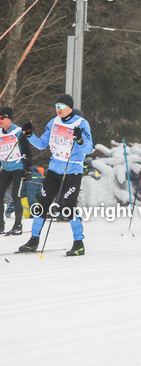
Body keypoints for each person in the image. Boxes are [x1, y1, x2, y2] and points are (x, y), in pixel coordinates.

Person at [18, 94, 93, 255]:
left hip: (72, 170)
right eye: (56, 106)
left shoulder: (81, 123)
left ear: (70, 107)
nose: (58, 109)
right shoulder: (53, 122)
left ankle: (78, 243)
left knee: (68, 206)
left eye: (61, 106)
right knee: (43, 204)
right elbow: (41, 144)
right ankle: (33, 240)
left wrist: (79, 139)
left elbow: (88, 149)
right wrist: (30, 135)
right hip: (54, 170)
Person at [0, 106, 33, 235]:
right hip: (5, 169)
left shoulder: (18, 132)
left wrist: (28, 169)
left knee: (15, 195)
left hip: (18, 169)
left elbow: (27, 151)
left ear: (9, 118)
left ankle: (18, 225)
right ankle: (0, 225)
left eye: (2, 118)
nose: (0, 121)